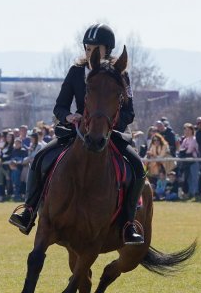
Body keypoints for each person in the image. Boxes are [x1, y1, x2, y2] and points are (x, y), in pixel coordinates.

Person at [9, 23, 146, 245]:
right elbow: (60, 106)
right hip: (77, 133)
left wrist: (106, 125)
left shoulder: (120, 74)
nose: (90, 52)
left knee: (138, 168)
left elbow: (129, 113)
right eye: (88, 48)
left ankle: (128, 224)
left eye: (95, 48)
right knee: (40, 158)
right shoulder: (76, 71)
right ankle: (29, 210)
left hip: (109, 134)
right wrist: (69, 116)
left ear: (107, 49)